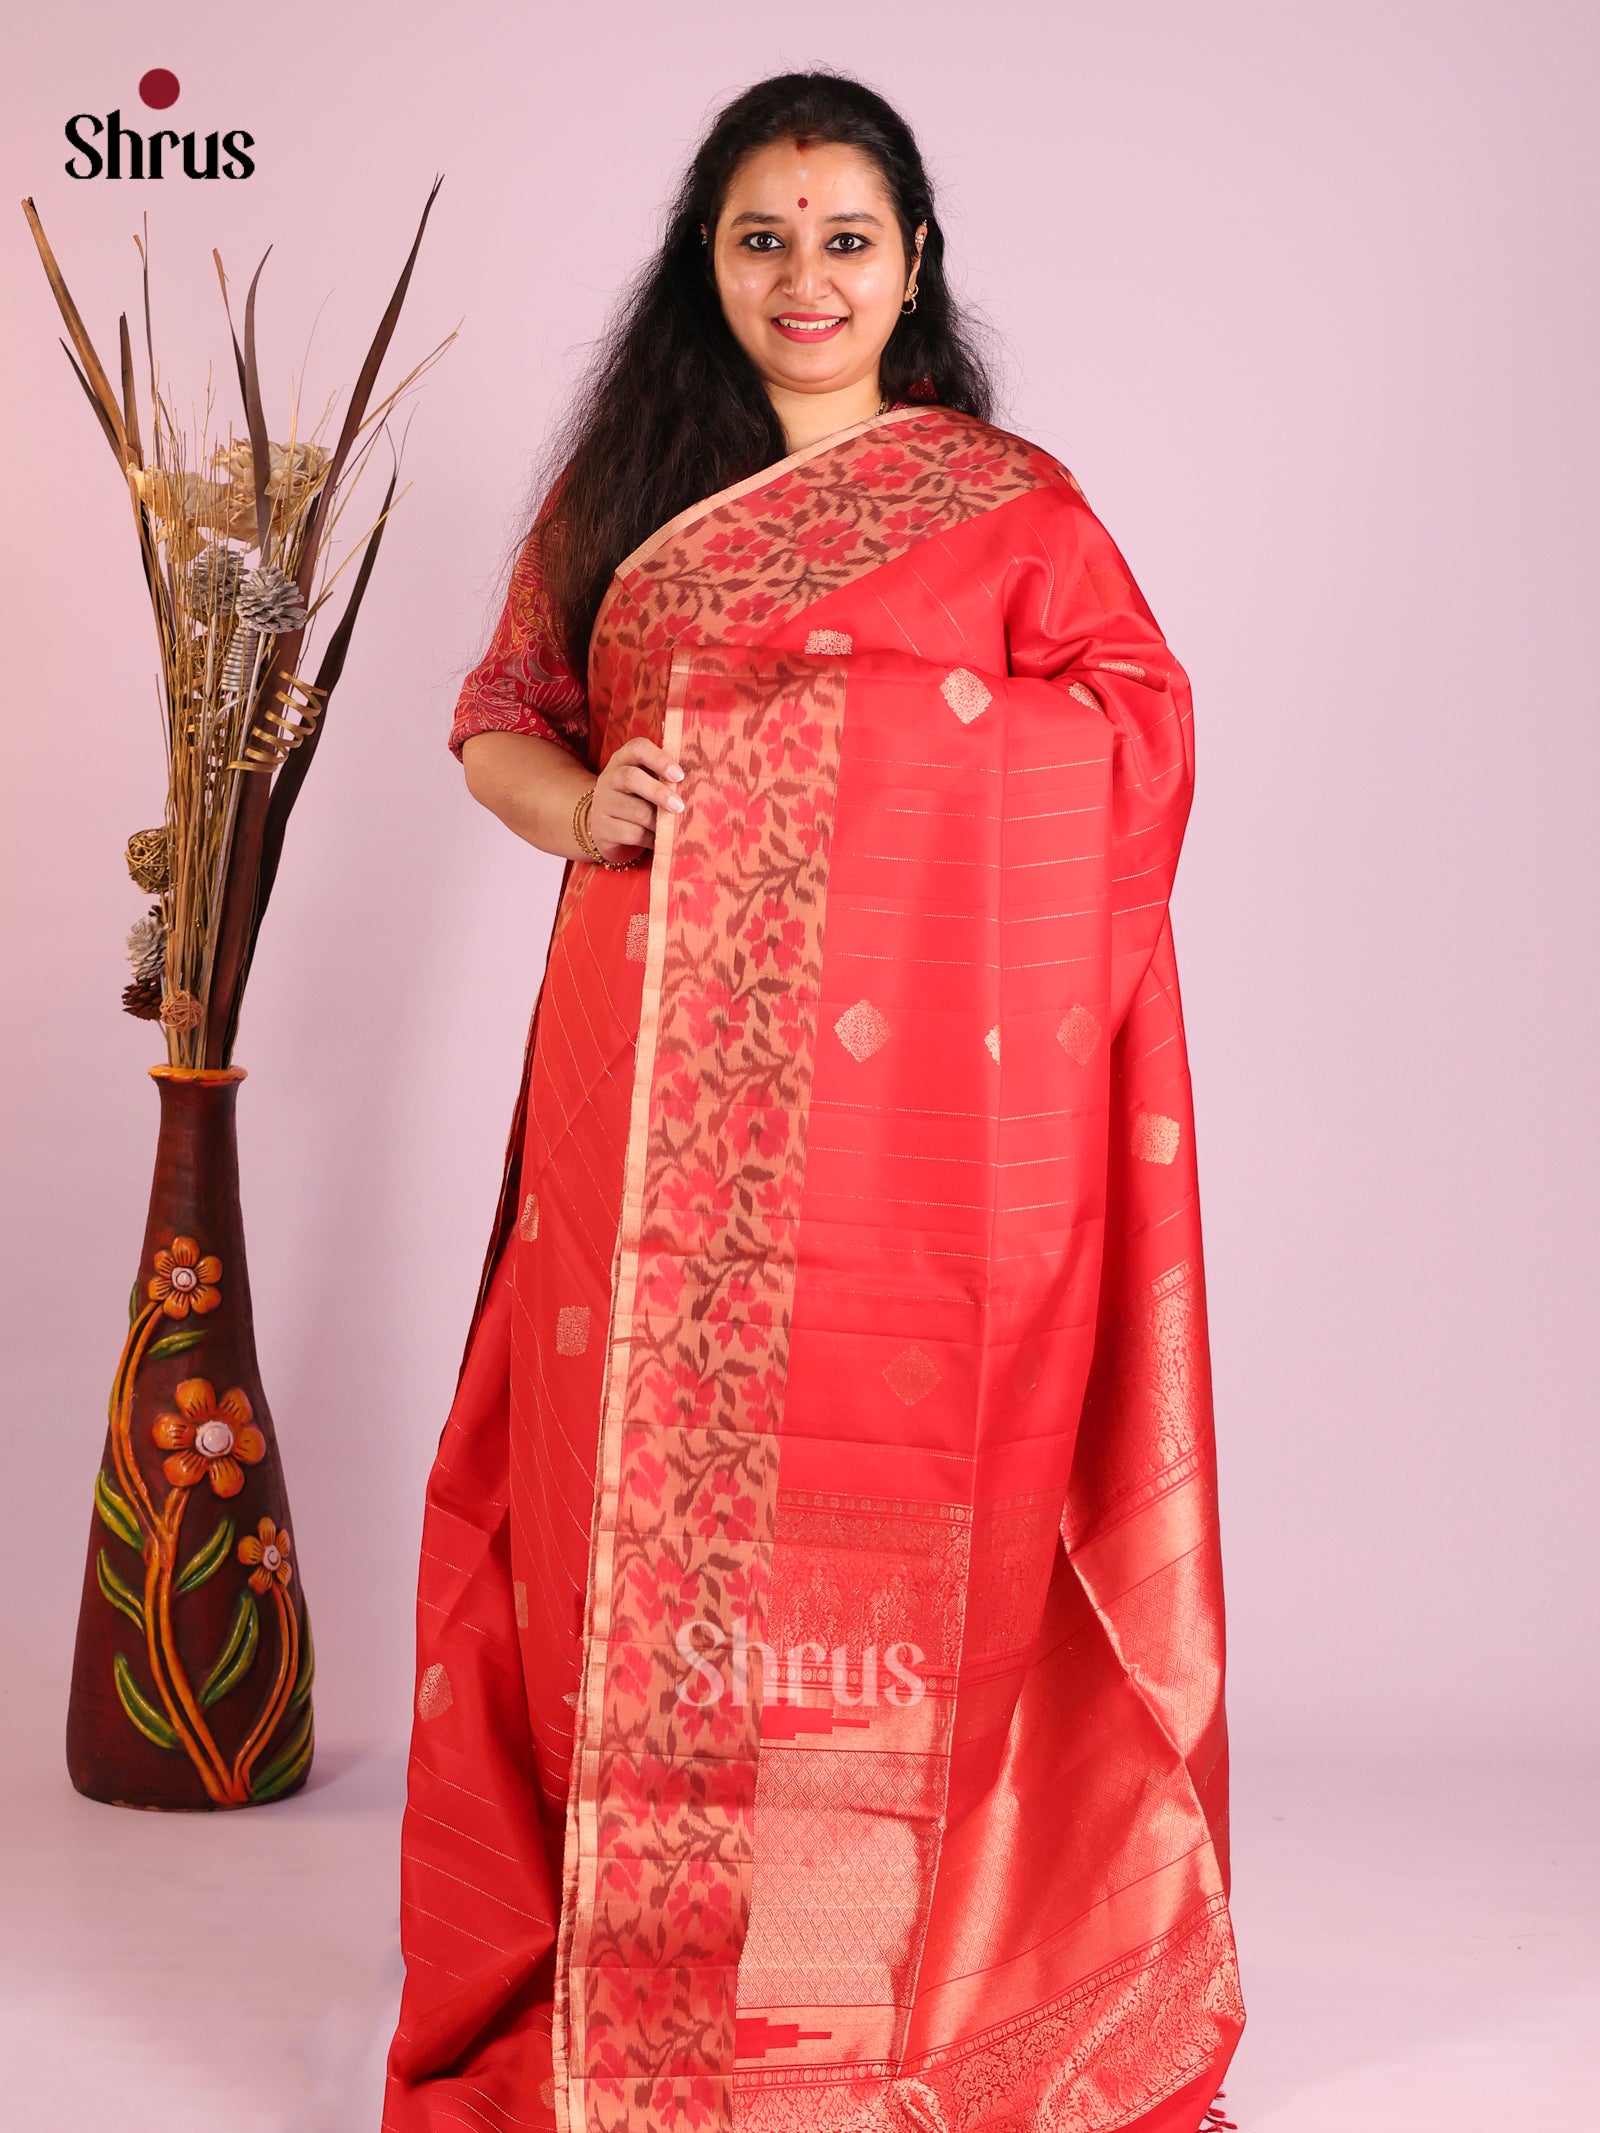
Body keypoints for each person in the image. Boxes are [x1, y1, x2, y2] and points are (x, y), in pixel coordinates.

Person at [385, 70, 1243, 2133]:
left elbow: (1135, 729)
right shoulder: (624, 494)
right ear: (706, 259)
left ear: (913, 262)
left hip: (917, 1141)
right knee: (621, 1506)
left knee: (901, 1491)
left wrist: (859, 744)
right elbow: (500, 716)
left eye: (845, 238)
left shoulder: (1008, 509)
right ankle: (643, 1959)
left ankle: (883, 1980)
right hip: (643, 1088)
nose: (806, 279)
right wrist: (583, 802)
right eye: (762, 238)